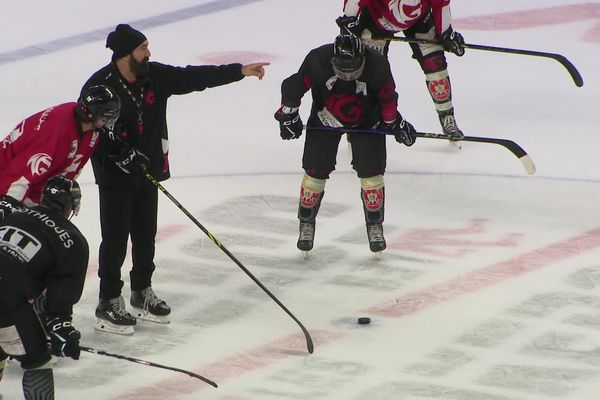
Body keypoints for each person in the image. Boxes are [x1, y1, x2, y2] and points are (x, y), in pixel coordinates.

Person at [81, 23, 270, 335]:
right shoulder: (100, 87)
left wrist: (240, 71)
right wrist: (117, 154)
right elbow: (89, 129)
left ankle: (141, 291)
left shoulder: (153, 75)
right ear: (126, 54)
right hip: (115, 176)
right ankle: (109, 299)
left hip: (148, 170)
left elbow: (193, 77)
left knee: (145, 234)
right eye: (143, 48)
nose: (149, 52)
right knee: (115, 240)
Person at [274, 33, 416, 253]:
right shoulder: (318, 59)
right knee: (315, 171)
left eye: (354, 71)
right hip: (324, 118)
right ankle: (306, 222)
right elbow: (293, 86)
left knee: (372, 173)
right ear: (333, 61)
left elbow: (387, 97)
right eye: (343, 72)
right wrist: (288, 115)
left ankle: (375, 224)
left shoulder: (377, 64)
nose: (348, 76)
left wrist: (393, 122)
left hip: (367, 121)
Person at [0, 176, 87, 400]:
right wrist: (60, 325)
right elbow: (62, 292)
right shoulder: (72, 239)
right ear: (70, 205)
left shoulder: (15, 215)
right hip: (7, 299)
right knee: (37, 359)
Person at [337, 0, 465, 138]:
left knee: (435, 62)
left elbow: (441, 4)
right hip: (377, 17)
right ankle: (361, 122)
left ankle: (447, 116)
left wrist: (446, 32)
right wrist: (349, 18)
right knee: (371, 72)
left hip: (418, 17)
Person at [0, 85, 120, 206]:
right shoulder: (54, 130)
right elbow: (22, 172)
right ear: (93, 115)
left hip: (27, 194)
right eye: (105, 119)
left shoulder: (89, 131)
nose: (106, 124)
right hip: (5, 184)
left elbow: (68, 172)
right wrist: (8, 203)